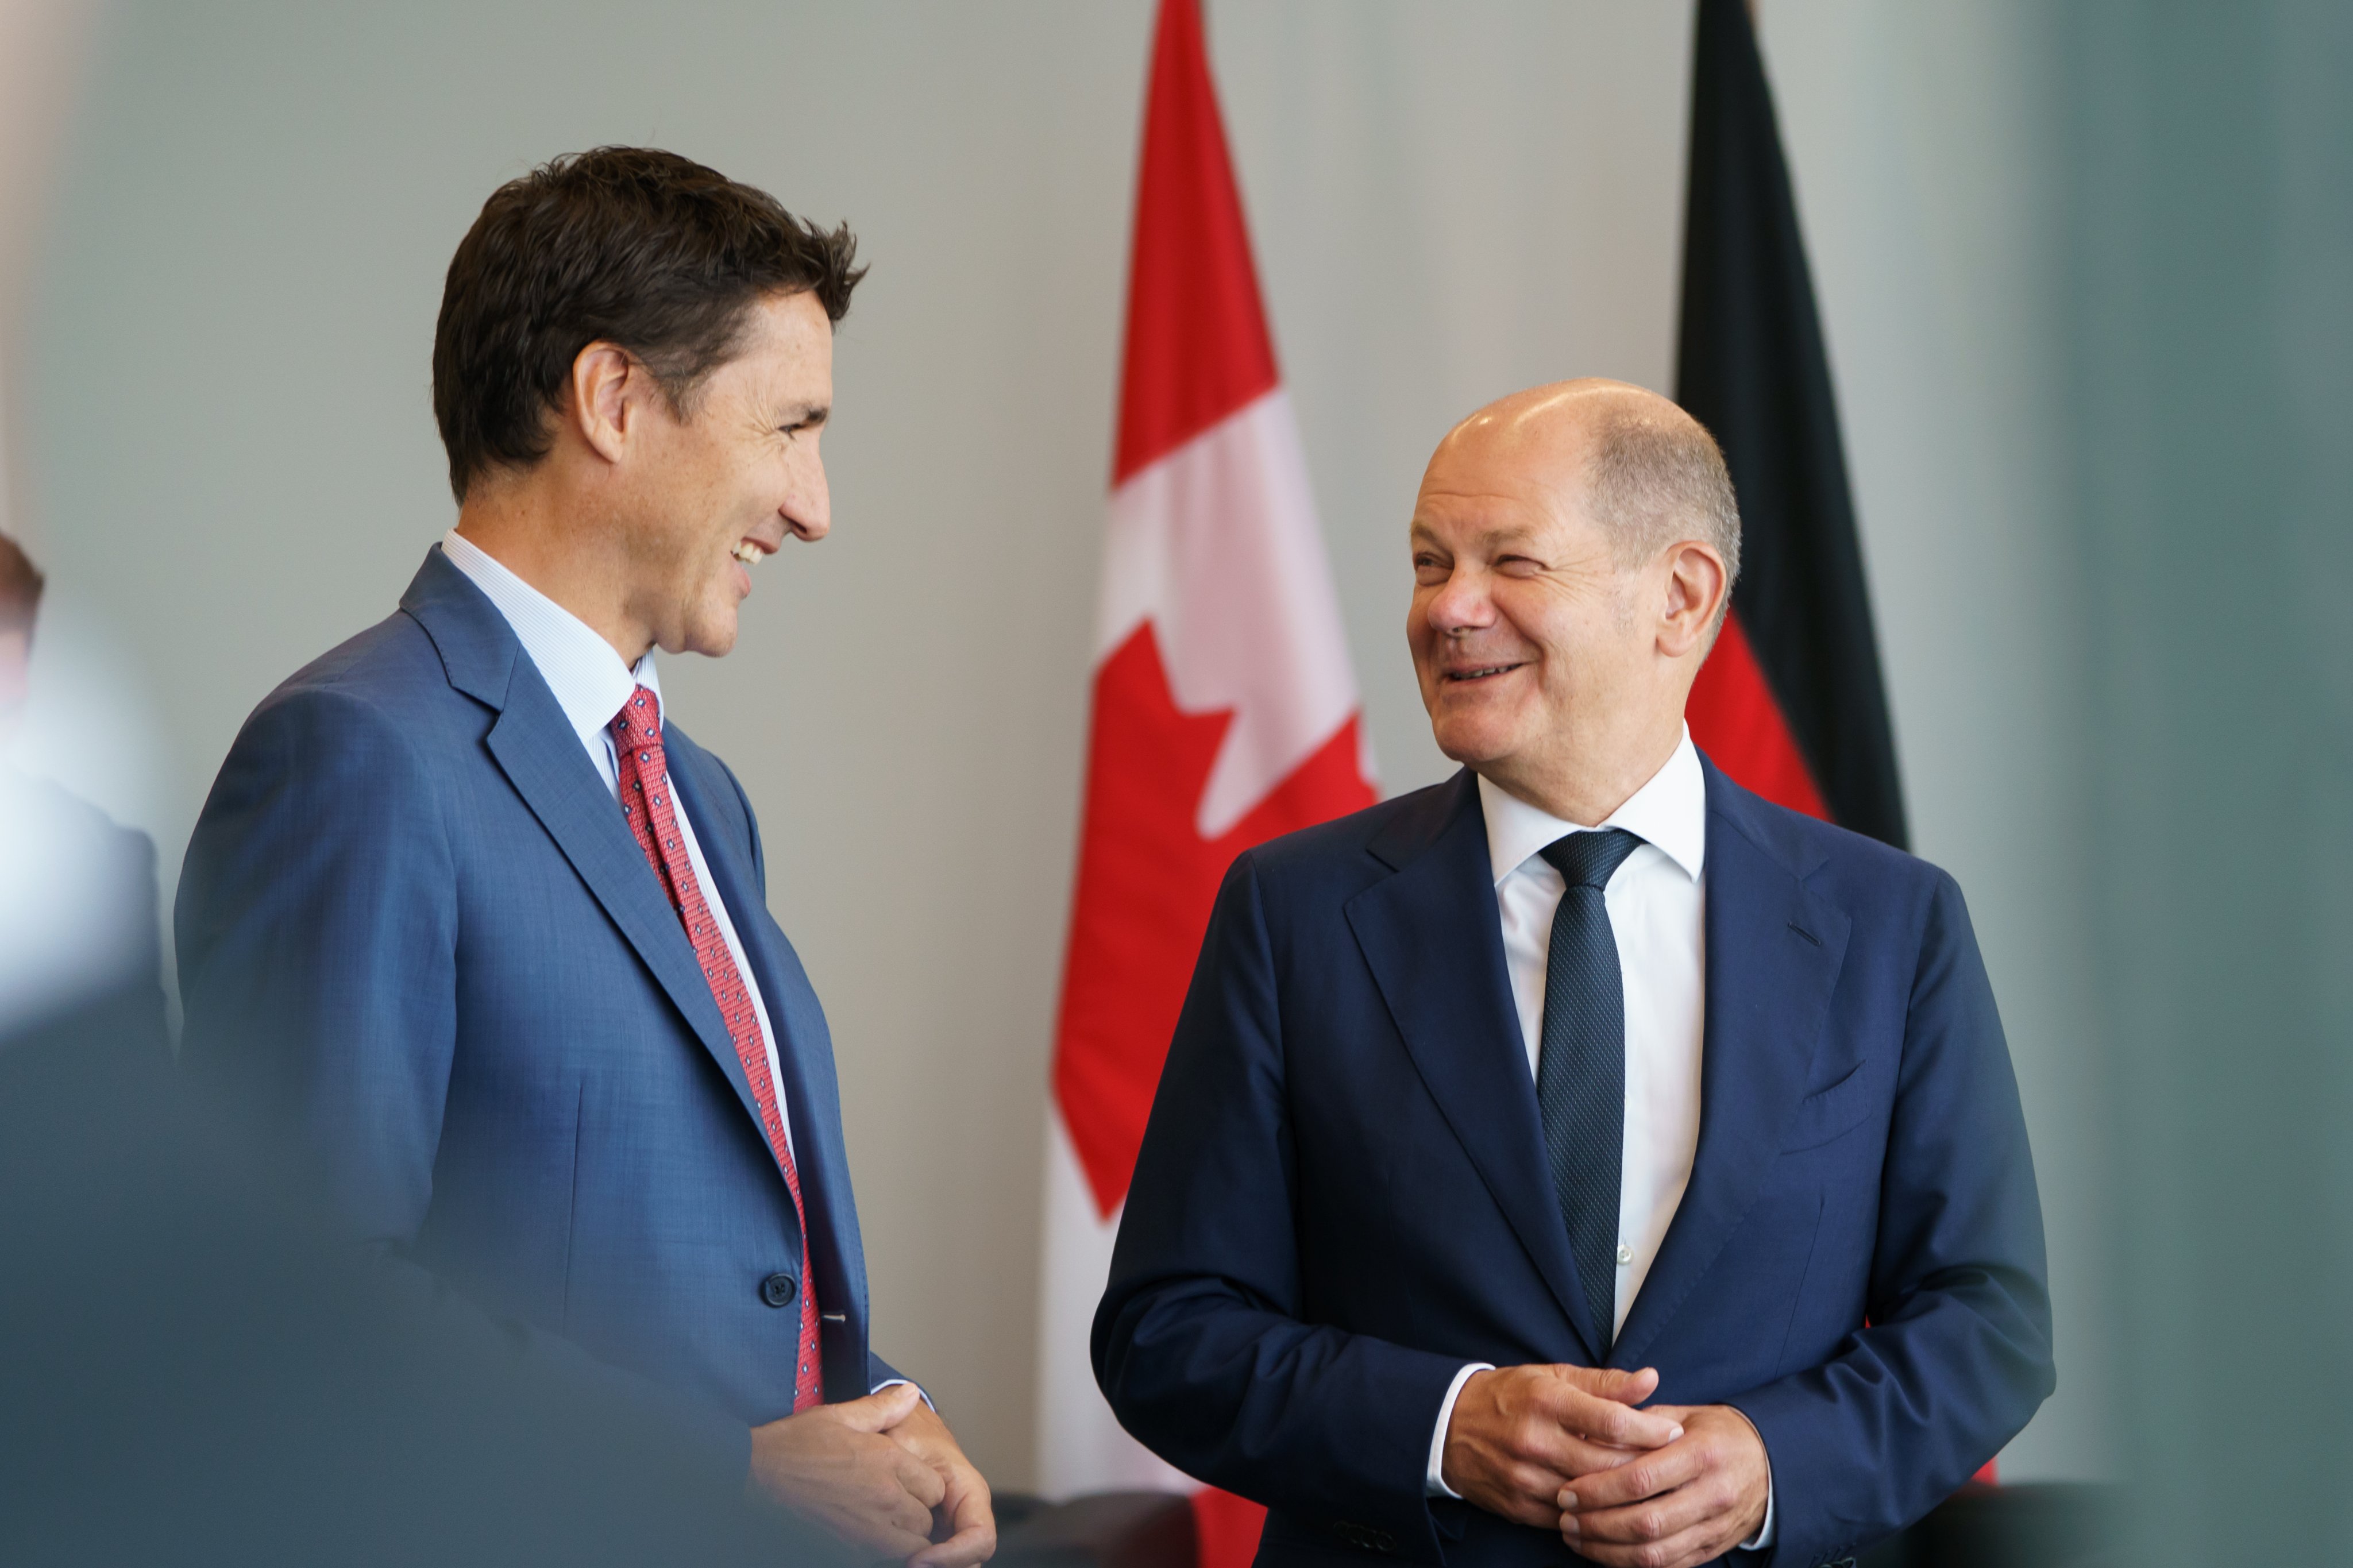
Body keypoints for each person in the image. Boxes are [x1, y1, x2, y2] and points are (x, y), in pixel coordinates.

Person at [176, 148, 992, 1567]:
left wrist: (871, 1411)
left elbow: (711, 1268)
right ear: (613, 401)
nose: (814, 505)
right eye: (787, 427)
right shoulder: (354, 757)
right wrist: (724, 1472)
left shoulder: (700, 798)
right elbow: (288, 1312)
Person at [1093, 381, 2053, 1568]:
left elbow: (1985, 1320)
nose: (1448, 610)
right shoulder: (1294, 911)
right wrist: (1443, 1425)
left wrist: (1770, 1463)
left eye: (1510, 562)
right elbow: (1165, 1331)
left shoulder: (1889, 922)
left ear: (1679, 597)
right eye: (1427, 561)